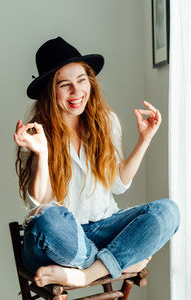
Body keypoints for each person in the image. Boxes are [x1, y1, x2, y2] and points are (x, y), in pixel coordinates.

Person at [14, 37, 180, 291]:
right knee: (49, 220)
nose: (76, 92)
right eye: (64, 85)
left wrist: (145, 139)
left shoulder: (106, 122)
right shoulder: (36, 133)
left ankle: (86, 274)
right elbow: (41, 204)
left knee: (168, 211)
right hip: (57, 240)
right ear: (50, 90)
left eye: (81, 80)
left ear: (90, 81)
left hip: (103, 228)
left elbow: (119, 184)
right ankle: (122, 260)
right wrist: (42, 155)